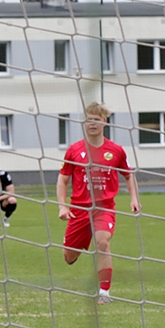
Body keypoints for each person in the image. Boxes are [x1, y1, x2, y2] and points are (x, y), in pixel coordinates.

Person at [56, 103, 140, 305]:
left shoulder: (116, 151)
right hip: (79, 210)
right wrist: (62, 206)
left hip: (104, 208)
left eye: (96, 119)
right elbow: (62, 180)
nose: (92, 123)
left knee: (103, 242)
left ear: (105, 122)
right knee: (68, 257)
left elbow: (129, 176)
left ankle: (104, 292)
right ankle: (78, 244)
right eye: (88, 119)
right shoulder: (74, 151)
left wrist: (134, 198)